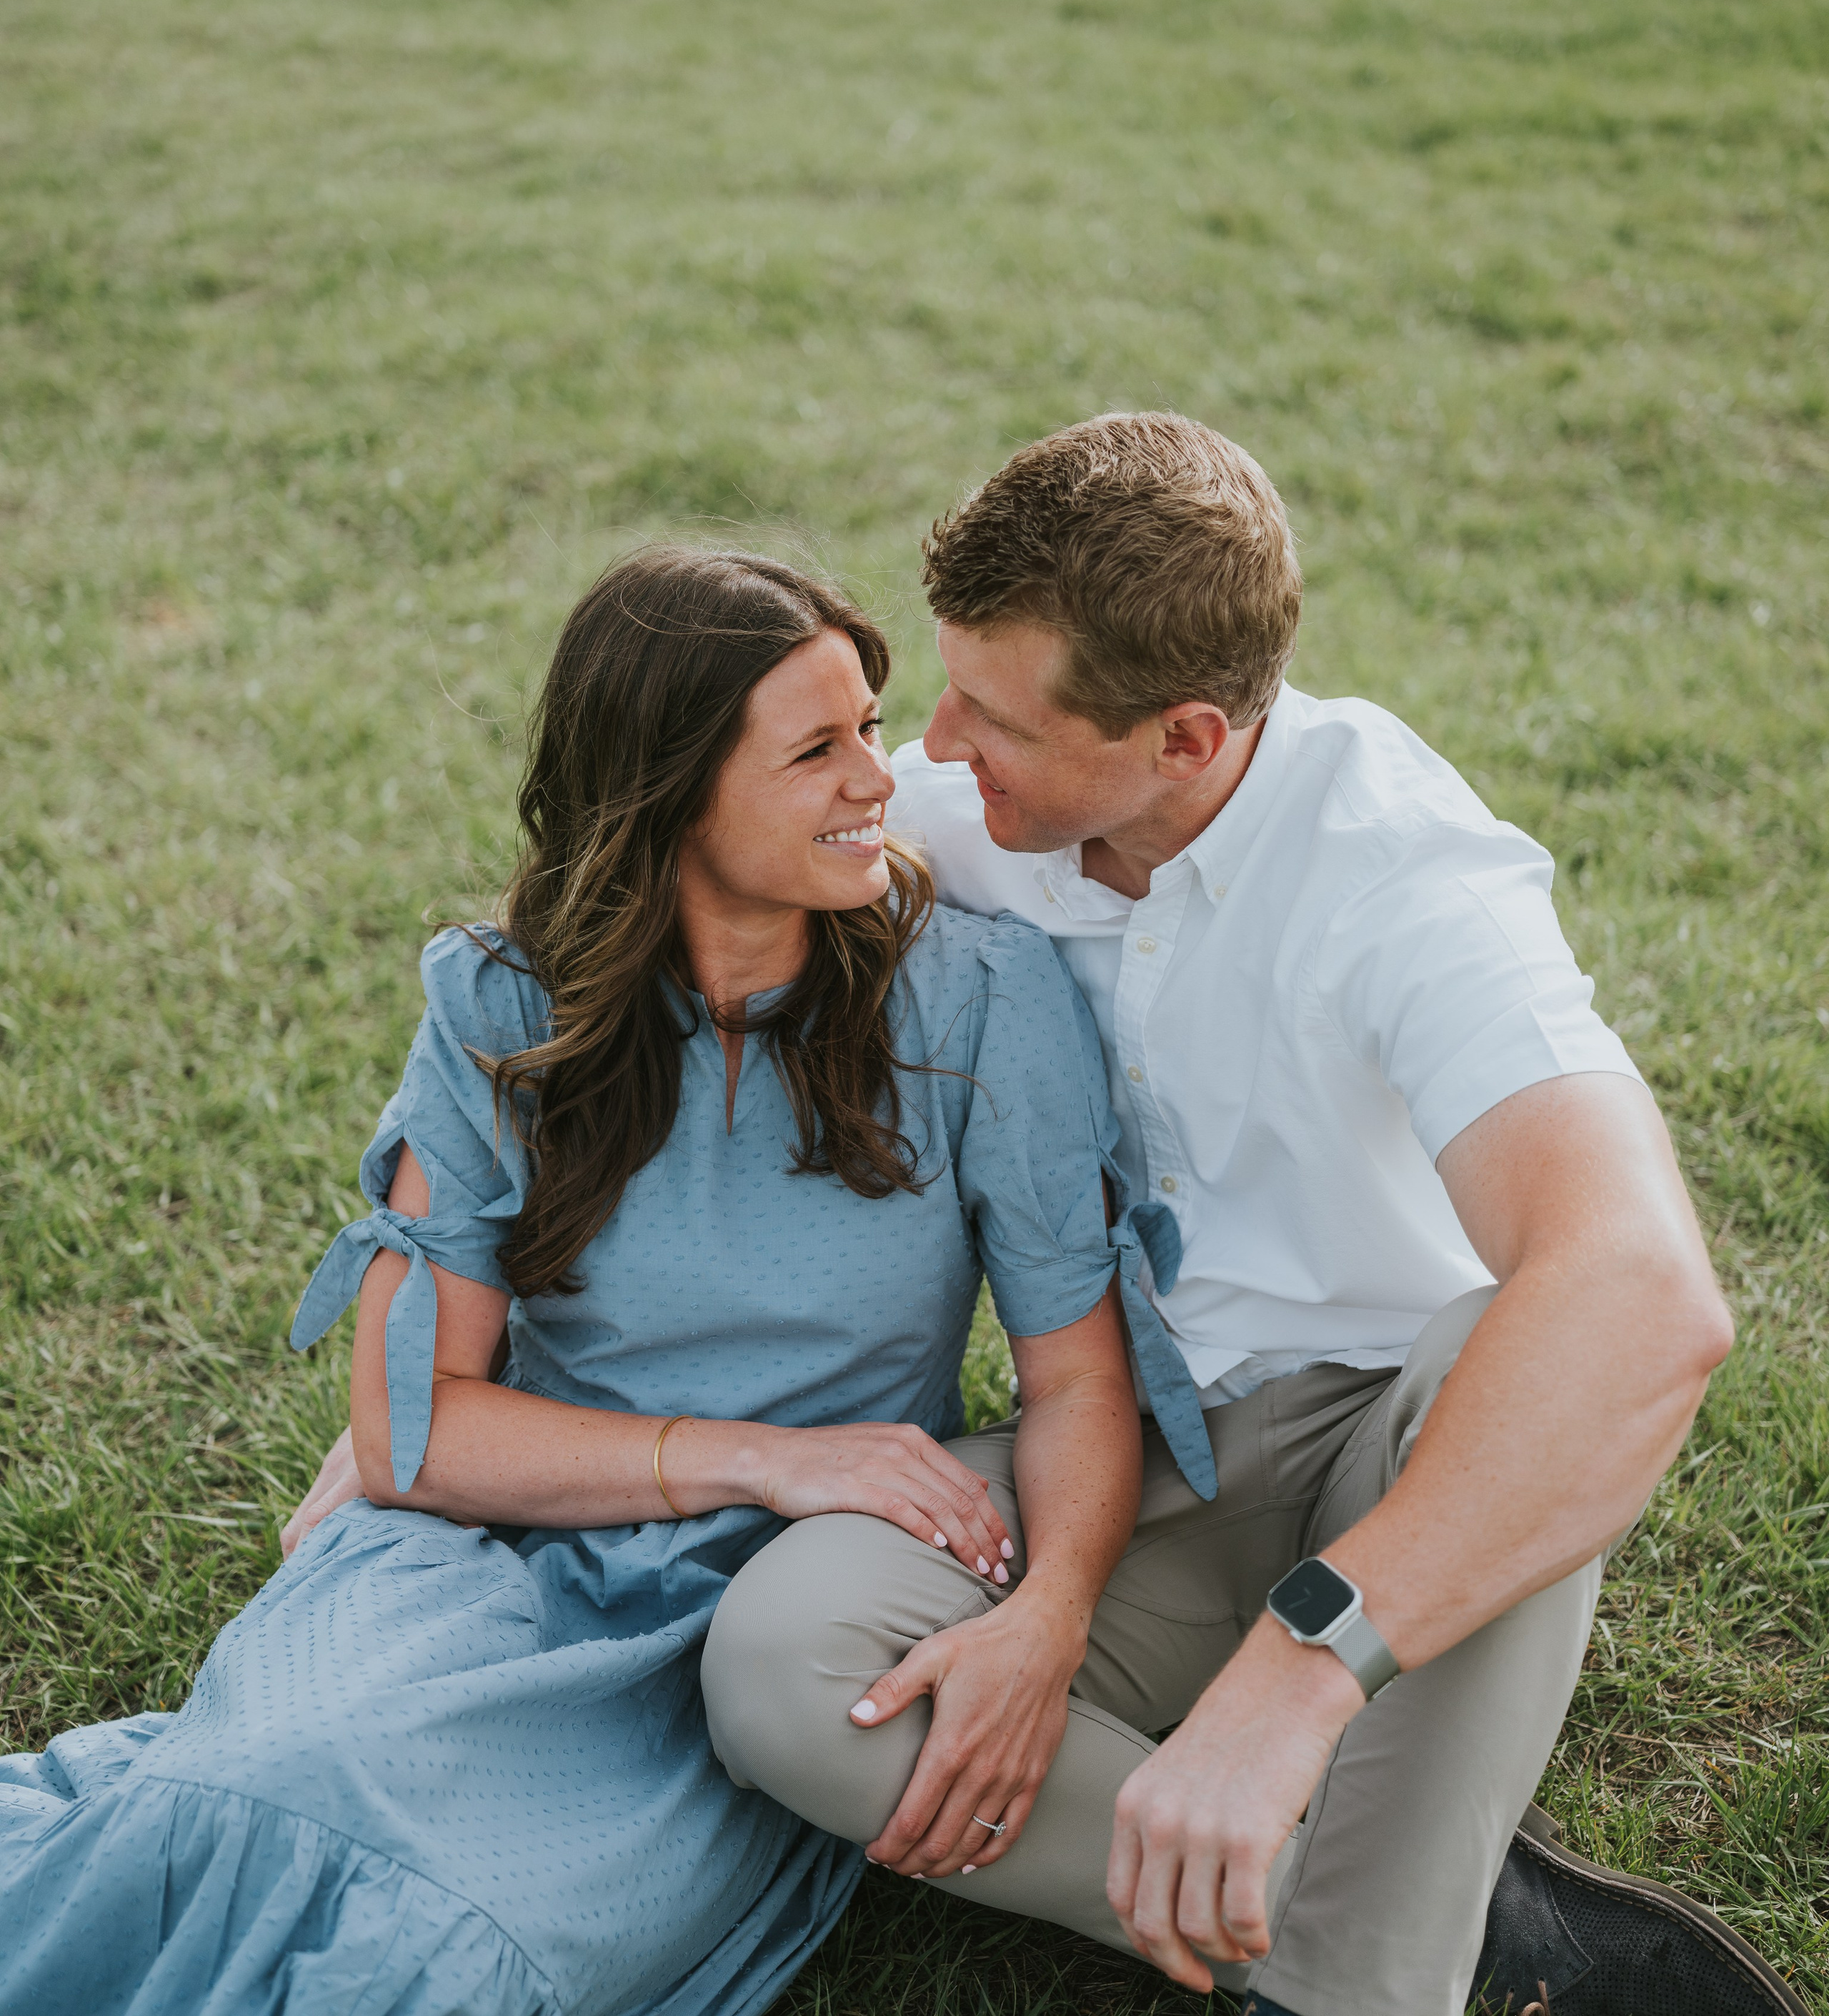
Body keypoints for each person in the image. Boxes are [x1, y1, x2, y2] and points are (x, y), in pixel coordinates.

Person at [700, 414, 1805, 2016]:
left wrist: (1294, 1677)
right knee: (785, 1662)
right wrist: (449, 1304)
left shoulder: (1403, 876)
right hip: (1145, 1469)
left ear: (1186, 738)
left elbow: (1644, 1295)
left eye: (993, 717)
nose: (931, 746)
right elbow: (626, 916)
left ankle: (1351, 1970)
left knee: (1520, 1337)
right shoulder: (966, 816)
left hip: (1408, 1459)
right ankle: (1416, 1921)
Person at [0, 548, 1186, 2016]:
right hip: (497, 1551)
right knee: (260, 1791)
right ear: (669, 791)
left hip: (756, 1615)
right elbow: (414, 1433)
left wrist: (1048, 1611)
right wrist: (763, 1454)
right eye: (815, 749)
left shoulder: (980, 1000)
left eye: (870, 728)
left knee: (460, 1954)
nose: (878, 779)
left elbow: (1076, 1381)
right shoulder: (502, 1004)